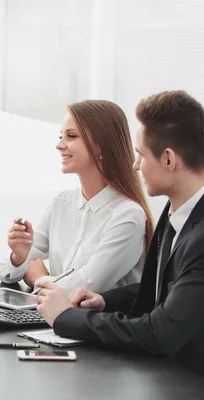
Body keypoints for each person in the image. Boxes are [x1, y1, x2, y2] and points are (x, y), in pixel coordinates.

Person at [36, 90, 204, 377]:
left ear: (168, 159)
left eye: (140, 155)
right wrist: (107, 300)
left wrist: (68, 318)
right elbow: (170, 290)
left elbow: (159, 332)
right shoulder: (173, 214)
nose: (135, 165)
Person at [0, 100, 154, 293]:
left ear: (101, 146)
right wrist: (18, 256)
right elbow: (5, 272)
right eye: (61, 136)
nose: (59, 145)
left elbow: (85, 288)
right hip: (56, 318)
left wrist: (39, 278)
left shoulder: (127, 216)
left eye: (71, 136)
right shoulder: (61, 203)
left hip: (99, 321)